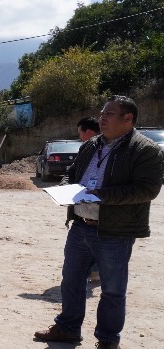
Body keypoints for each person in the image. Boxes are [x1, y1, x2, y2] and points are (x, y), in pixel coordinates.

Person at [34, 95, 163, 349]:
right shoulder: (92, 145)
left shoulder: (145, 150)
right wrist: (65, 188)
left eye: (109, 114)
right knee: (71, 281)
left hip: (114, 232)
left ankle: (108, 341)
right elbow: (72, 173)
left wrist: (102, 195)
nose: (102, 118)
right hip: (80, 226)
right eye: (102, 113)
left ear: (128, 119)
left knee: (112, 290)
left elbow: (147, 189)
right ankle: (68, 328)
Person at [75, 117, 101, 282]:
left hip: (103, 209)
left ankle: (96, 271)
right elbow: (73, 171)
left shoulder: (110, 148)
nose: (80, 137)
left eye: (80, 133)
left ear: (89, 132)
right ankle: (95, 271)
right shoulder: (87, 148)